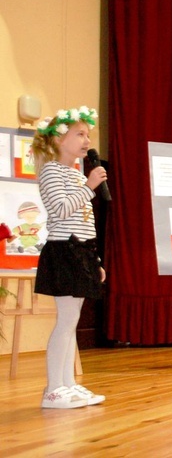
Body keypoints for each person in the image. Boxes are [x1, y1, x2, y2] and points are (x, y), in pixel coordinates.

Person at [31, 106, 107, 409]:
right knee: (65, 321)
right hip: (64, 251)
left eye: (88, 135)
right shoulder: (51, 170)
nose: (87, 140)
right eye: (80, 134)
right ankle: (53, 389)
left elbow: (84, 220)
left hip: (82, 251)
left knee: (71, 320)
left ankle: (68, 384)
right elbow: (60, 210)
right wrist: (89, 187)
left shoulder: (74, 174)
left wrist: (96, 260)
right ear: (59, 140)